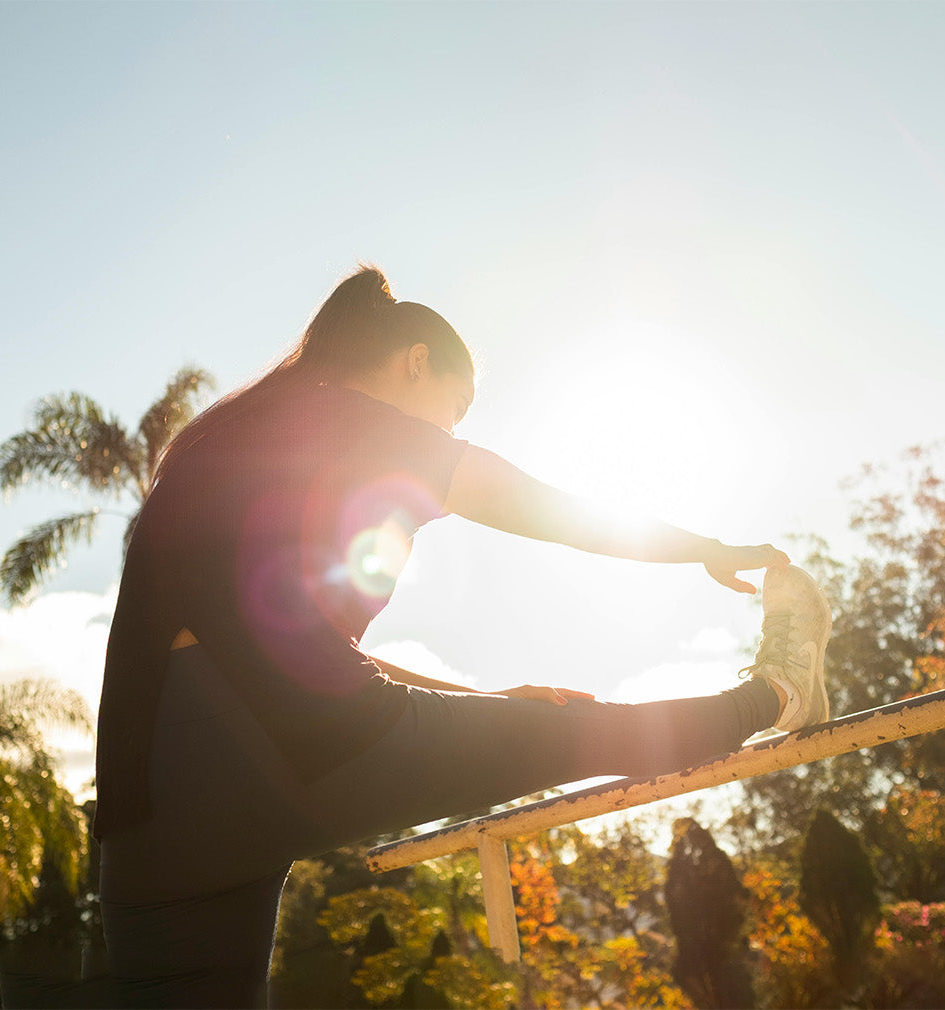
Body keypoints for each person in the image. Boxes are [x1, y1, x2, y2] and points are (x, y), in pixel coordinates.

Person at [92, 266, 830, 1008]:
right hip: (294, 746)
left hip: (148, 823)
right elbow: (556, 512)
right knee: (585, 733)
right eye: (455, 405)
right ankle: (781, 691)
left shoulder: (222, 442)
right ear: (416, 361)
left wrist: (478, 699)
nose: (451, 430)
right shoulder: (375, 428)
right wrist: (701, 546)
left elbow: (270, 651)